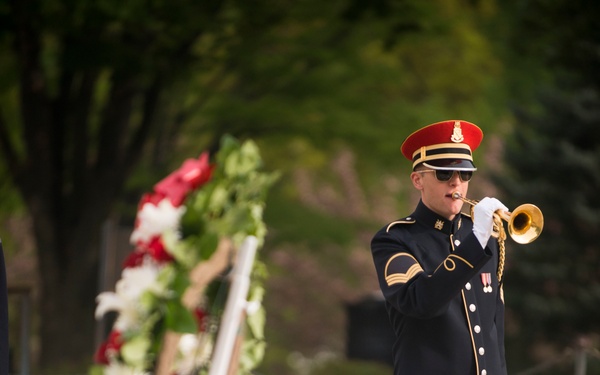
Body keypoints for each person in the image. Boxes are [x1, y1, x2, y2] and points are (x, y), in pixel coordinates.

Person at [370, 120, 509, 375]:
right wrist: (476, 241)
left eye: (465, 174)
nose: (456, 183)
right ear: (417, 180)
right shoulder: (394, 240)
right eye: (444, 173)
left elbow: (493, 329)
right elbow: (422, 302)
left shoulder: (484, 237)